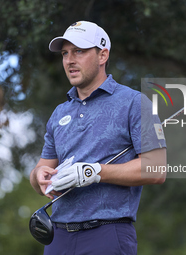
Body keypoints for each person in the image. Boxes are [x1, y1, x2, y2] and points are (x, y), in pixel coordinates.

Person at [30, 20, 167, 255]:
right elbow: (41, 171)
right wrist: (38, 177)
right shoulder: (60, 113)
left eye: (79, 51)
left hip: (107, 235)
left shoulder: (134, 103)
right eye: (65, 53)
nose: (69, 60)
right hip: (58, 239)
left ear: (102, 55)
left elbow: (156, 169)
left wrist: (92, 172)